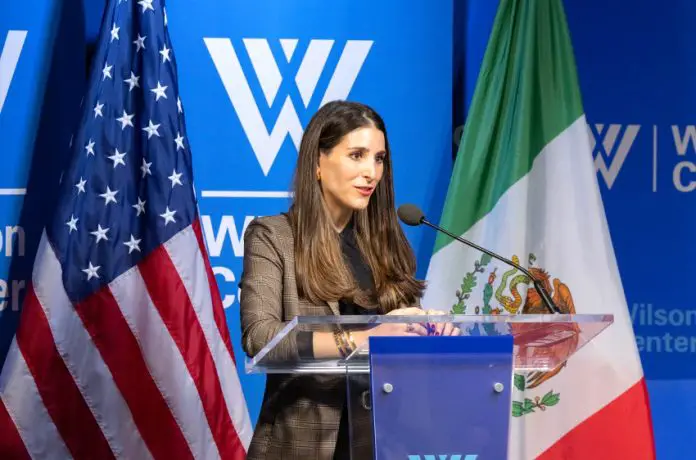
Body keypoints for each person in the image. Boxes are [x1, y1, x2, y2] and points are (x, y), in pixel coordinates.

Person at [239, 100, 454, 459]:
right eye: (357, 155)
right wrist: (365, 337)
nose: (371, 171)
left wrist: (425, 331)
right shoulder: (273, 236)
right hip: (301, 446)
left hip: (384, 443)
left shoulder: (386, 245)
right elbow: (261, 339)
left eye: (379, 158)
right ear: (318, 163)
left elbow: (397, 346)